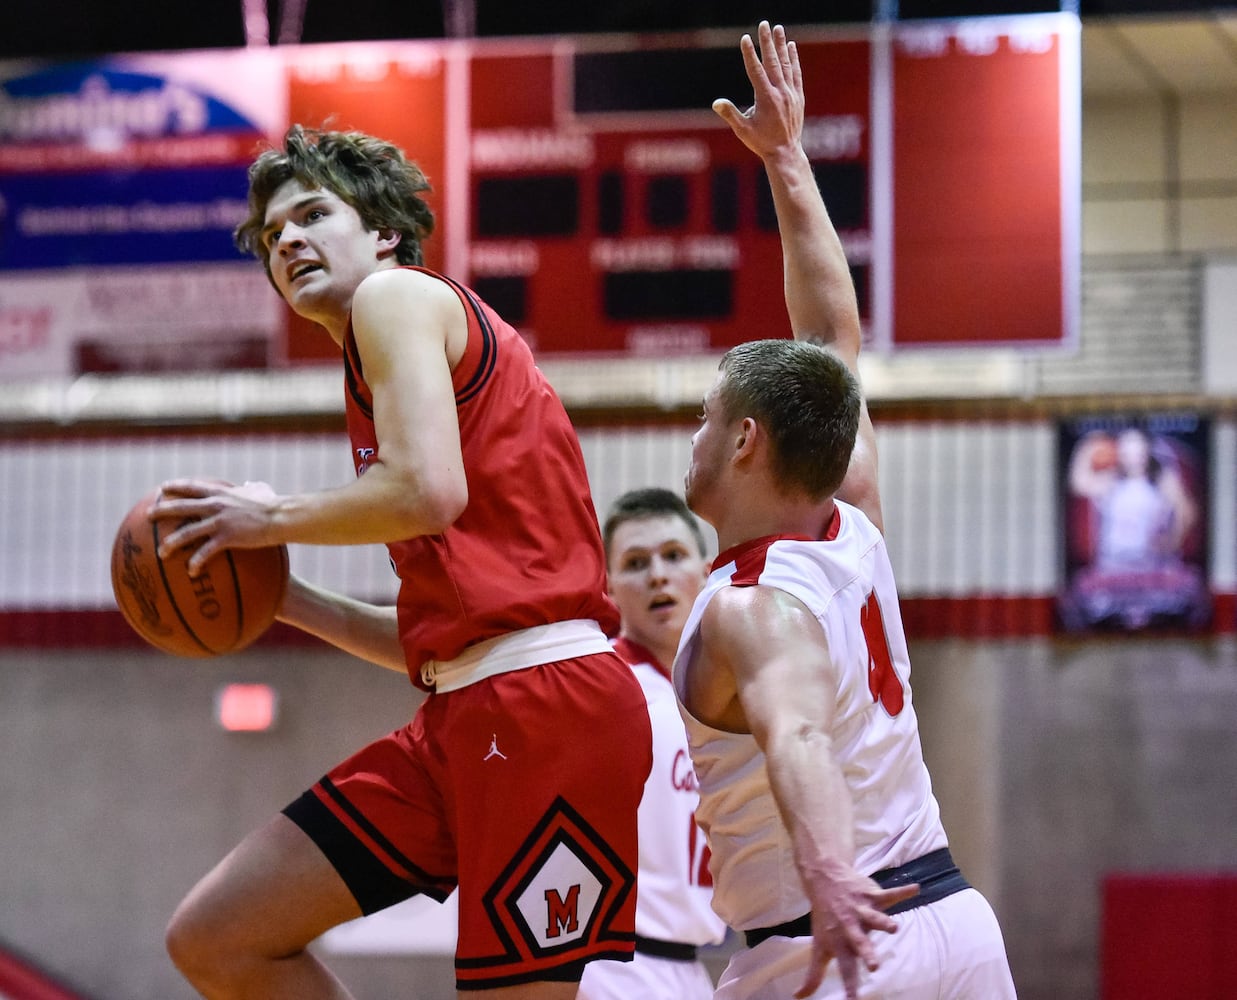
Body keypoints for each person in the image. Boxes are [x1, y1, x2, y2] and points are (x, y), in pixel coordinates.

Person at [153, 125, 652, 998]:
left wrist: (268, 518)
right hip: (465, 702)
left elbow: (427, 492)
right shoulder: (379, 353)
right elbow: (440, 637)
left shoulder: (394, 299)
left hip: (546, 707)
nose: (290, 242)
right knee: (220, 936)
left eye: (312, 215)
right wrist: (283, 597)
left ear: (383, 231)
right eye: (273, 238)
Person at [670, 22, 1017, 1000]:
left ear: (744, 442)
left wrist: (829, 878)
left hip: (834, 938)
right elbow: (829, 334)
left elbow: (797, 736)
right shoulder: (849, 511)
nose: (690, 436)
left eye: (706, 418)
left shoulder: (749, 603)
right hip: (953, 920)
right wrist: (785, 157)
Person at [578, 488, 729, 1000]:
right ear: (609, 587)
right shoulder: (598, 687)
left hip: (690, 967)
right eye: (636, 563)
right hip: (613, 963)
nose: (658, 575)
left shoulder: (718, 697)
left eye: (672, 555)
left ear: (706, 571)